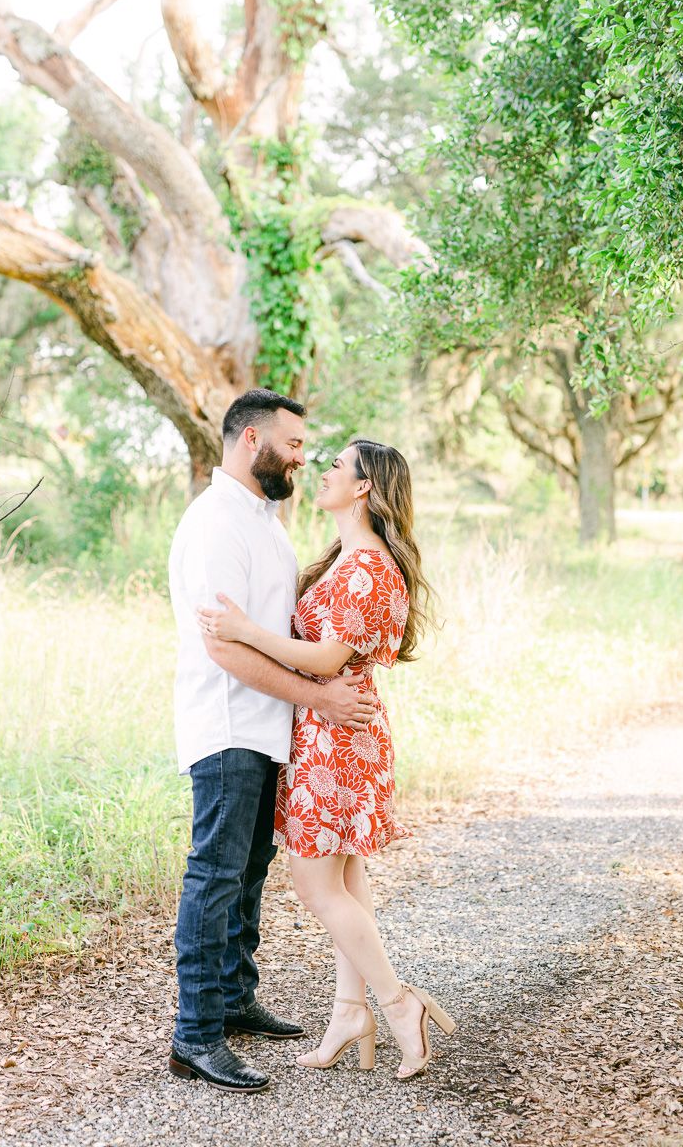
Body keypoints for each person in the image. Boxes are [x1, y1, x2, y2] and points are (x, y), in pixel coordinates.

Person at [198, 438, 456, 1080]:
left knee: (316, 885)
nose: (323, 470)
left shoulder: (366, 566)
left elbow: (326, 660)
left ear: (364, 486)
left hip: (335, 736)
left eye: (338, 465)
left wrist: (247, 633)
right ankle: (349, 1009)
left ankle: (399, 1006)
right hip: (333, 730)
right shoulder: (350, 558)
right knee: (345, 883)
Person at [167, 391, 377, 1094]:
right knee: (216, 875)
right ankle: (196, 1035)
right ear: (250, 438)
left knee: (248, 872)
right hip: (227, 724)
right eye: (291, 444)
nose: (300, 458)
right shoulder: (214, 525)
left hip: (270, 728)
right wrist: (320, 697)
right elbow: (223, 649)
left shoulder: (265, 520)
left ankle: (234, 999)